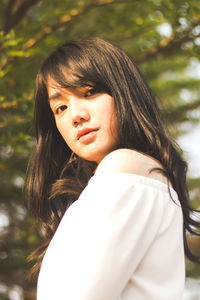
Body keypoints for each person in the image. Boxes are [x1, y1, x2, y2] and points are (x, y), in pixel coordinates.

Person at [27, 37, 200, 300]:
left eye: (89, 92)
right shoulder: (139, 175)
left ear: (123, 91)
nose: (76, 115)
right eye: (60, 107)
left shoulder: (125, 167)